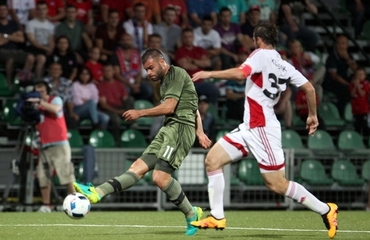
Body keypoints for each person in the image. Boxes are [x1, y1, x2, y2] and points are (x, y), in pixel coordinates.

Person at [189, 21, 338, 239]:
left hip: (262, 129)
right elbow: (309, 87)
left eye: (254, 40)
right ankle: (217, 216)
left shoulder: (260, 54)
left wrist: (209, 73)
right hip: (249, 127)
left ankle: (326, 209)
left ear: (257, 40)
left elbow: (241, 74)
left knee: (276, 184)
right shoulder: (284, 65)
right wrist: (312, 115)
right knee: (212, 160)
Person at [73, 48, 212, 236]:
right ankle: (96, 193)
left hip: (180, 129)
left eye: (151, 68)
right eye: (146, 70)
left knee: (159, 178)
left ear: (162, 61)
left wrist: (140, 112)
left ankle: (191, 213)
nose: (149, 73)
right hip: (168, 129)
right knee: (137, 167)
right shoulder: (165, 82)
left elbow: (170, 107)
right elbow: (193, 105)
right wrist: (201, 132)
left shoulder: (177, 73)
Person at [27, 81, 75, 212]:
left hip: (59, 144)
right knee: (43, 176)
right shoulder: (37, 108)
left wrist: (39, 102)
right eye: (37, 91)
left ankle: (74, 203)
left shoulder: (56, 100)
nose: (40, 94)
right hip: (44, 145)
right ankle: (46, 205)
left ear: (47, 91)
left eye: (42, 91)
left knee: (66, 174)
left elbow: (56, 109)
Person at [349, 67, 370, 138]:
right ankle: (357, 139)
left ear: (365, 76)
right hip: (355, 110)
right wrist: (355, 85)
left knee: (365, 126)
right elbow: (352, 94)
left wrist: (358, 85)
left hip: (364, 109)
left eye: (361, 75)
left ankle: (366, 140)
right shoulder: (352, 84)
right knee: (357, 126)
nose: (359, 76)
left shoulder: (366, 84)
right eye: (358, 74)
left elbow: (362, 94)